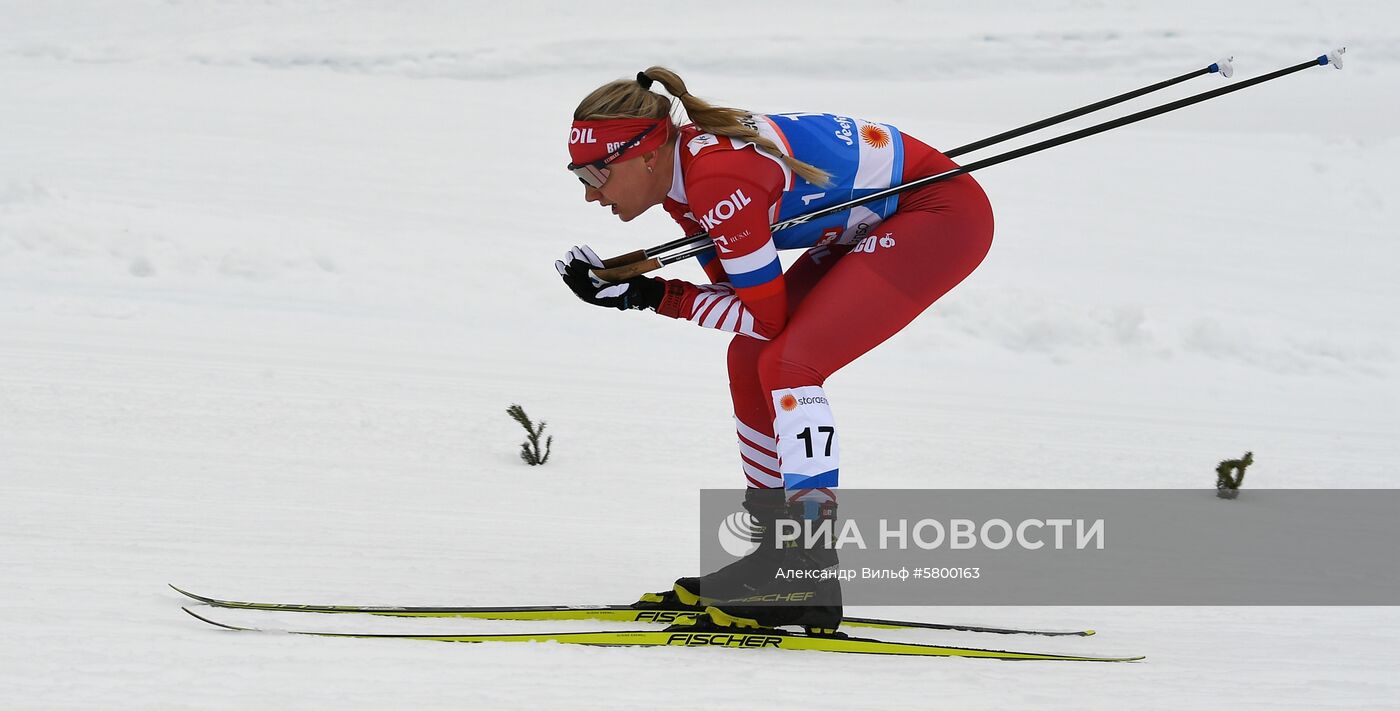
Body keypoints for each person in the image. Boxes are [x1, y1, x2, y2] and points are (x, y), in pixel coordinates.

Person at [556, 66, 994, 635]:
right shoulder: (681, 184)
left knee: (792, 364)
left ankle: (808, 564)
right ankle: (774, 554)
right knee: (749, 357)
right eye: (579, 177)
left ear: (646, 154)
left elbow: (766, 316)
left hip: (937, 215)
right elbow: (751, 311)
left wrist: (651, 295)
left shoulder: (716, 181)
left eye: (597, 173)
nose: (591, 193)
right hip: (874, 219)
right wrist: (647, 291)